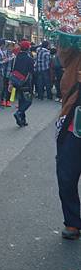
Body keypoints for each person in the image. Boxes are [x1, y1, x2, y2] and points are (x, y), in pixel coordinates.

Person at [55, 47, 81, 240]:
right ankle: (72, 221)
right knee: (66, 176)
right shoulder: (74, 51)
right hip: (72, 125)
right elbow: (63, 51)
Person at [10, 40, 35, 127]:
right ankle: (19, 113)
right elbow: (32, 72)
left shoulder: (16, 57)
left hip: (16, 81)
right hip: (26, 83)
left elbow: (13, 69)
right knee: (28, 101)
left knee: (21, 100)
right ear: (28, 48)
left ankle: (22, 120)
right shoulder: (30, 59)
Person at [1, 43, 15, 107]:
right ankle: (2, 100)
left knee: (9, 88)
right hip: (4, 72)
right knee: (3, 87)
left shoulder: (13, 55)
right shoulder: (3, 53)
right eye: (9, 46)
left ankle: (8, 101)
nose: (10, 48)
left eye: (12, 47)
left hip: (10, 74)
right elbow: (2, 61)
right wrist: (9, 58)